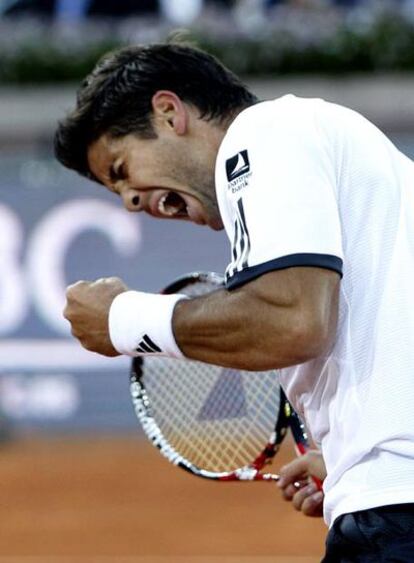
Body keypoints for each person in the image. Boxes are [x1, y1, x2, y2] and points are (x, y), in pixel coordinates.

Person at [54, 40, 414, 561]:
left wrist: (123, 321)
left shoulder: (265, 132)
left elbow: (294, 322)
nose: (131, 201)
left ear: (169, 112)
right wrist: (351, 456)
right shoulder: (362, 168)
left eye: (120, 168)